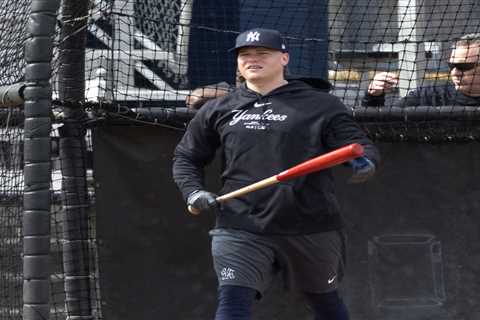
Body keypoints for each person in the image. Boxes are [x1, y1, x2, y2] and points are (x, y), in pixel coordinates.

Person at [173, 28, 380, 320]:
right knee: (232, 303)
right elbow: (186, 157)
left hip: (310, 223)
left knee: (326, 304)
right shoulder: (218, 109)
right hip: (240, 224)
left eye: (262, 53)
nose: (252, 59)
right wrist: (193, 192)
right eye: (245, 55)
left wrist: (363, 162)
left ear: (284, 58)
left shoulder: (321, 104)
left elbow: (357, 145)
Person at [362, 33, 480, 107]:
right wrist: (373, 97)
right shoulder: (428, 97)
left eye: (464, 67)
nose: (455, 73)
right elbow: (379, 124)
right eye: (451, 66)